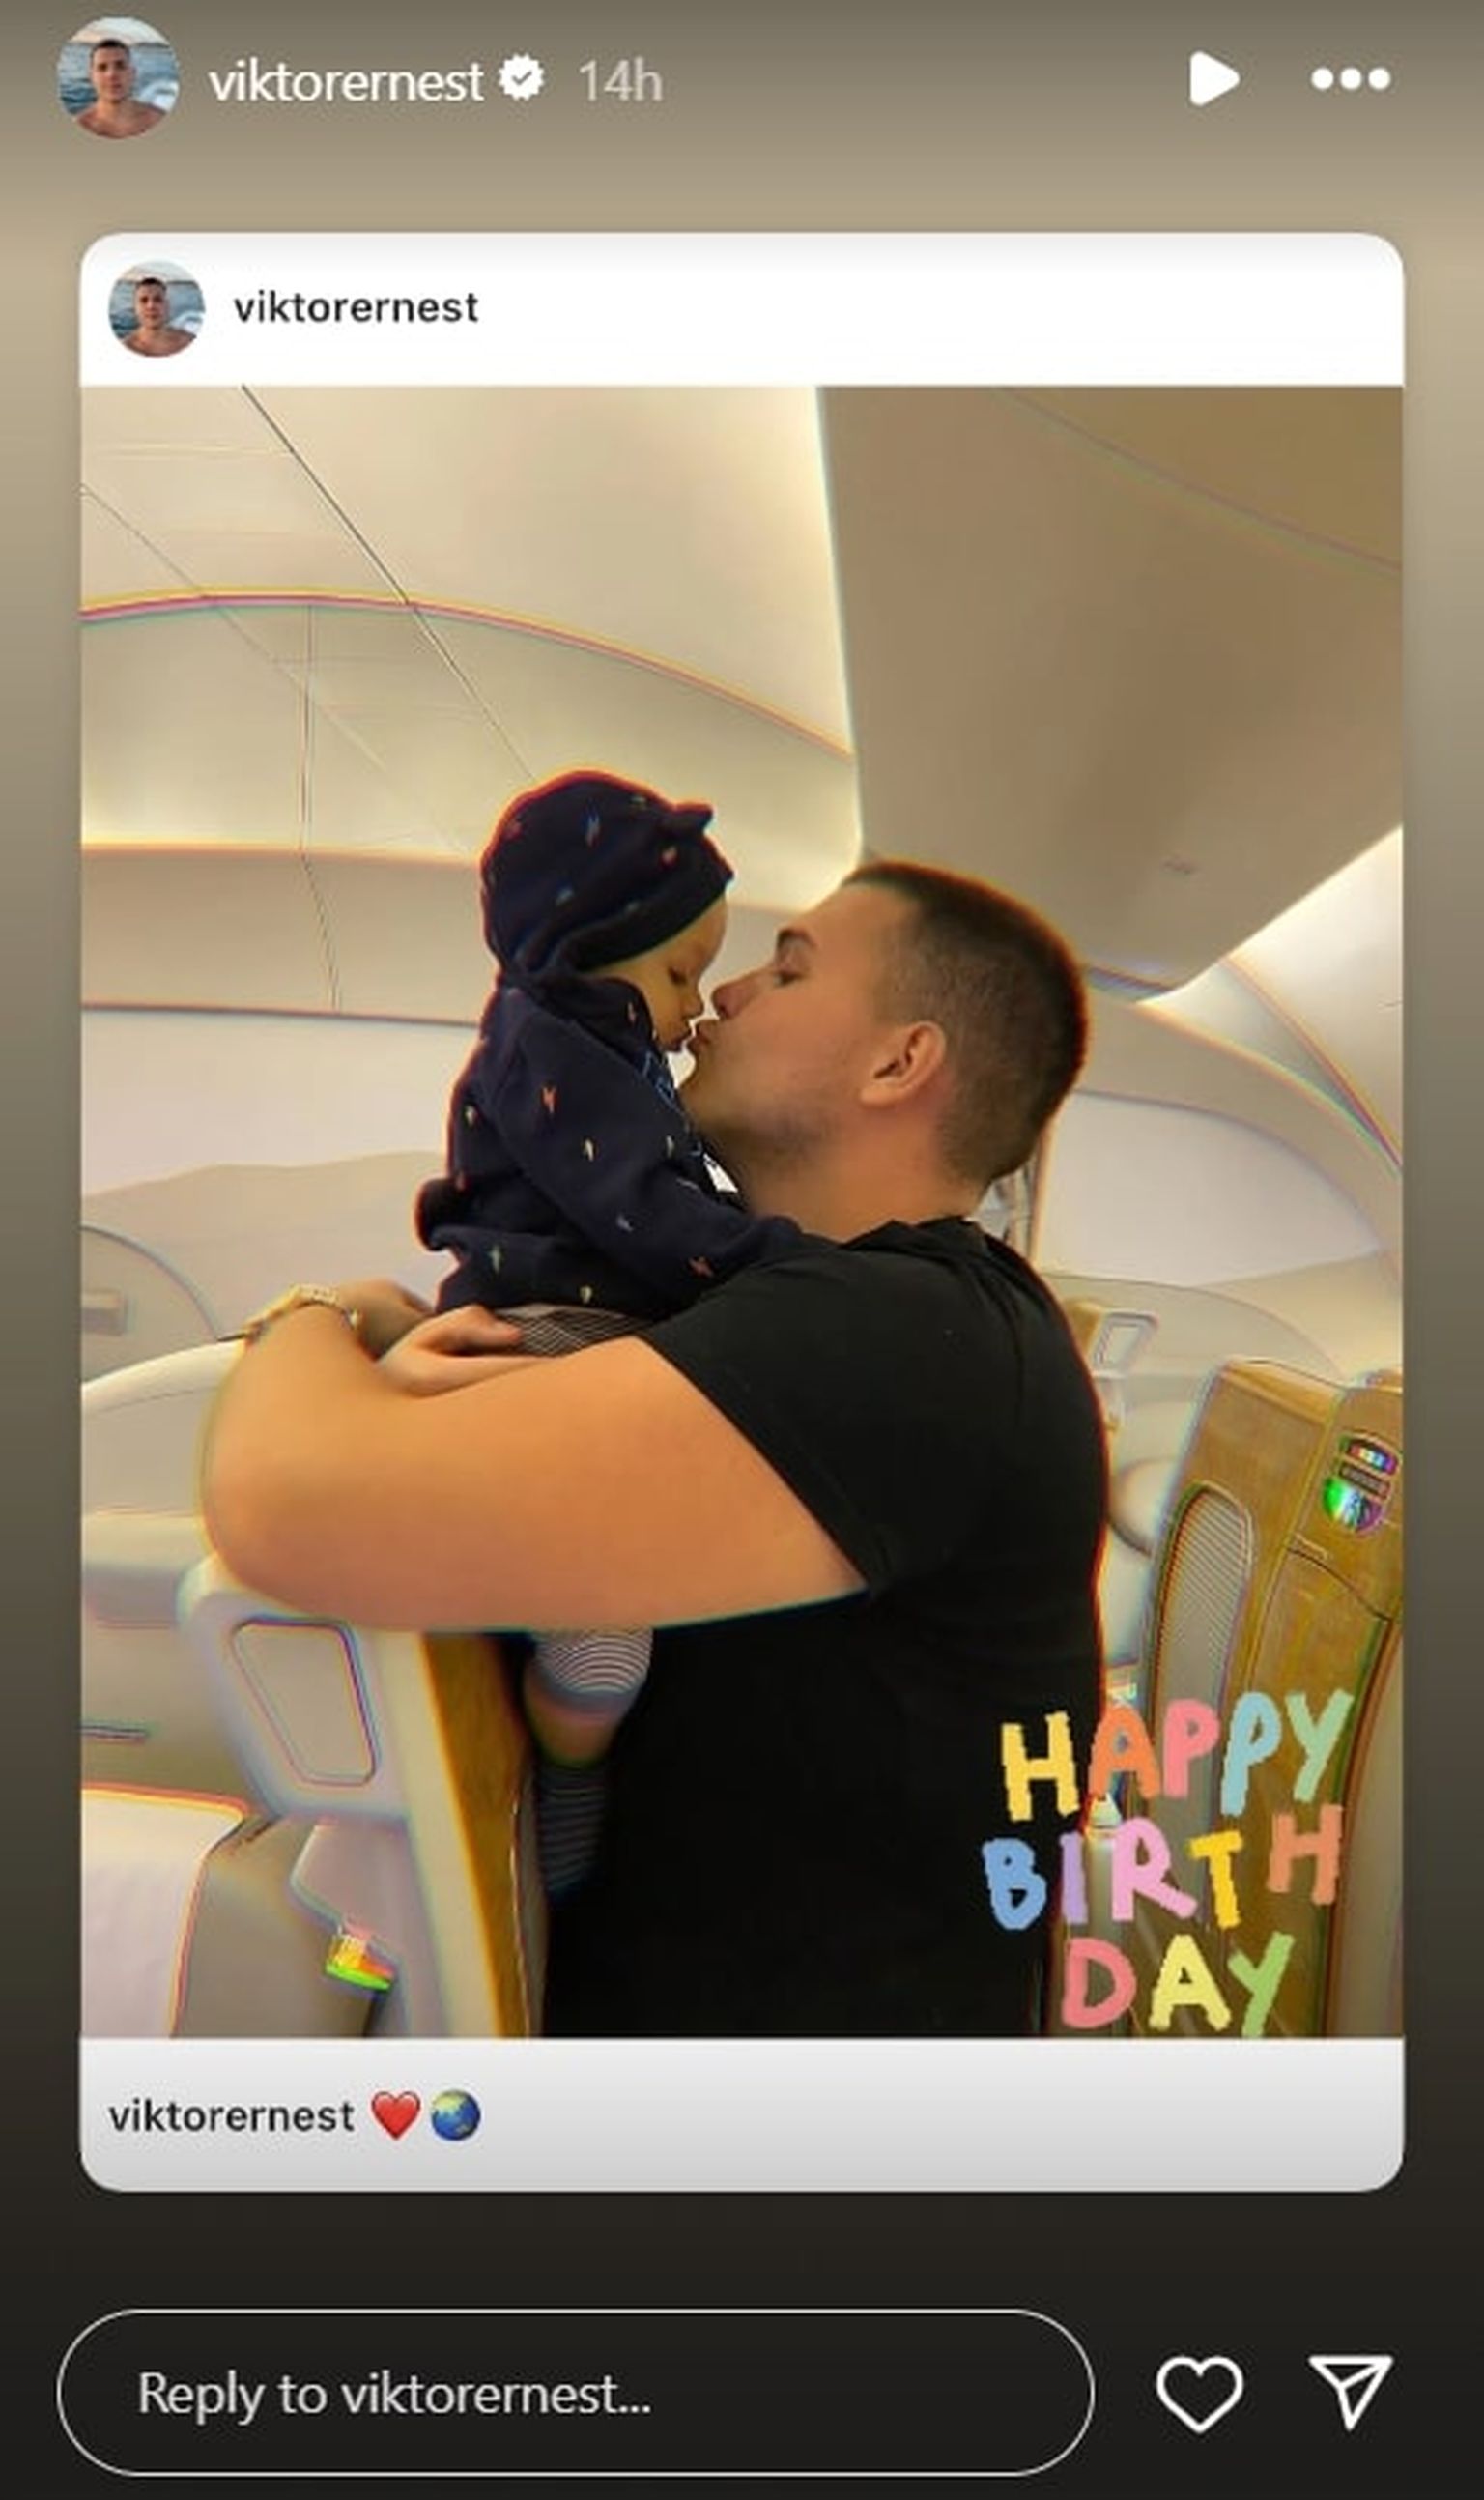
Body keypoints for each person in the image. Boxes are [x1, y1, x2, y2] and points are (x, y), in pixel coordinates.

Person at [203, 860, 1107, 2036]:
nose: (726, 993)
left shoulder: (909, 1335)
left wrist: (310, 1316)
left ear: (899, 1063)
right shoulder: (816, 1315)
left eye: (788, 970)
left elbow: (287, 1508)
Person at [414, 768, 803, 1890]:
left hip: (585, 1341)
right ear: (585, 947)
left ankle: (577, 1783)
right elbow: (638, 1205)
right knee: (601, 1649)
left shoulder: (599, 1051)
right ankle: (570, 1786)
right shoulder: (549, 1039)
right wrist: (780, 1263)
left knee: (622, 1634)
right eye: (680, 975)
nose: (691, 1015)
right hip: (545, 1338)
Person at [76, 38, 166, 139]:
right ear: (91, 77)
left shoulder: (158, 119)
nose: (111, 74)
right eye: (102, 67)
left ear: (133, 74)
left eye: (120, 66)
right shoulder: (80, 126)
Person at [121, 276, 193, 359]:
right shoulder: (125, 347)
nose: (151, 306)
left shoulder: (189, 341)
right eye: (144, 300)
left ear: (167, 306)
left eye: (158, 299)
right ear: (135, 308)